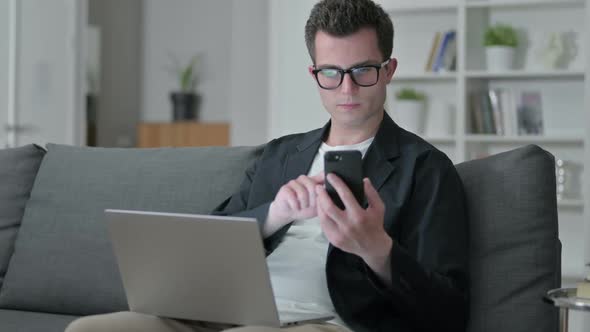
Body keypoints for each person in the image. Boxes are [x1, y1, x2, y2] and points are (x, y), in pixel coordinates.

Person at [65, 0, 468, 331]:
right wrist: (275, 213)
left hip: (325, 322)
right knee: (88, 330)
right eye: (331, 72)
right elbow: (210, 240)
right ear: (315, 74)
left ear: (388, 71)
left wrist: (377, 249)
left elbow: (448, 311)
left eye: (362, 71)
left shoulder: (426, 169)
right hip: (223, 315)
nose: (346, 89)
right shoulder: (279, 155)